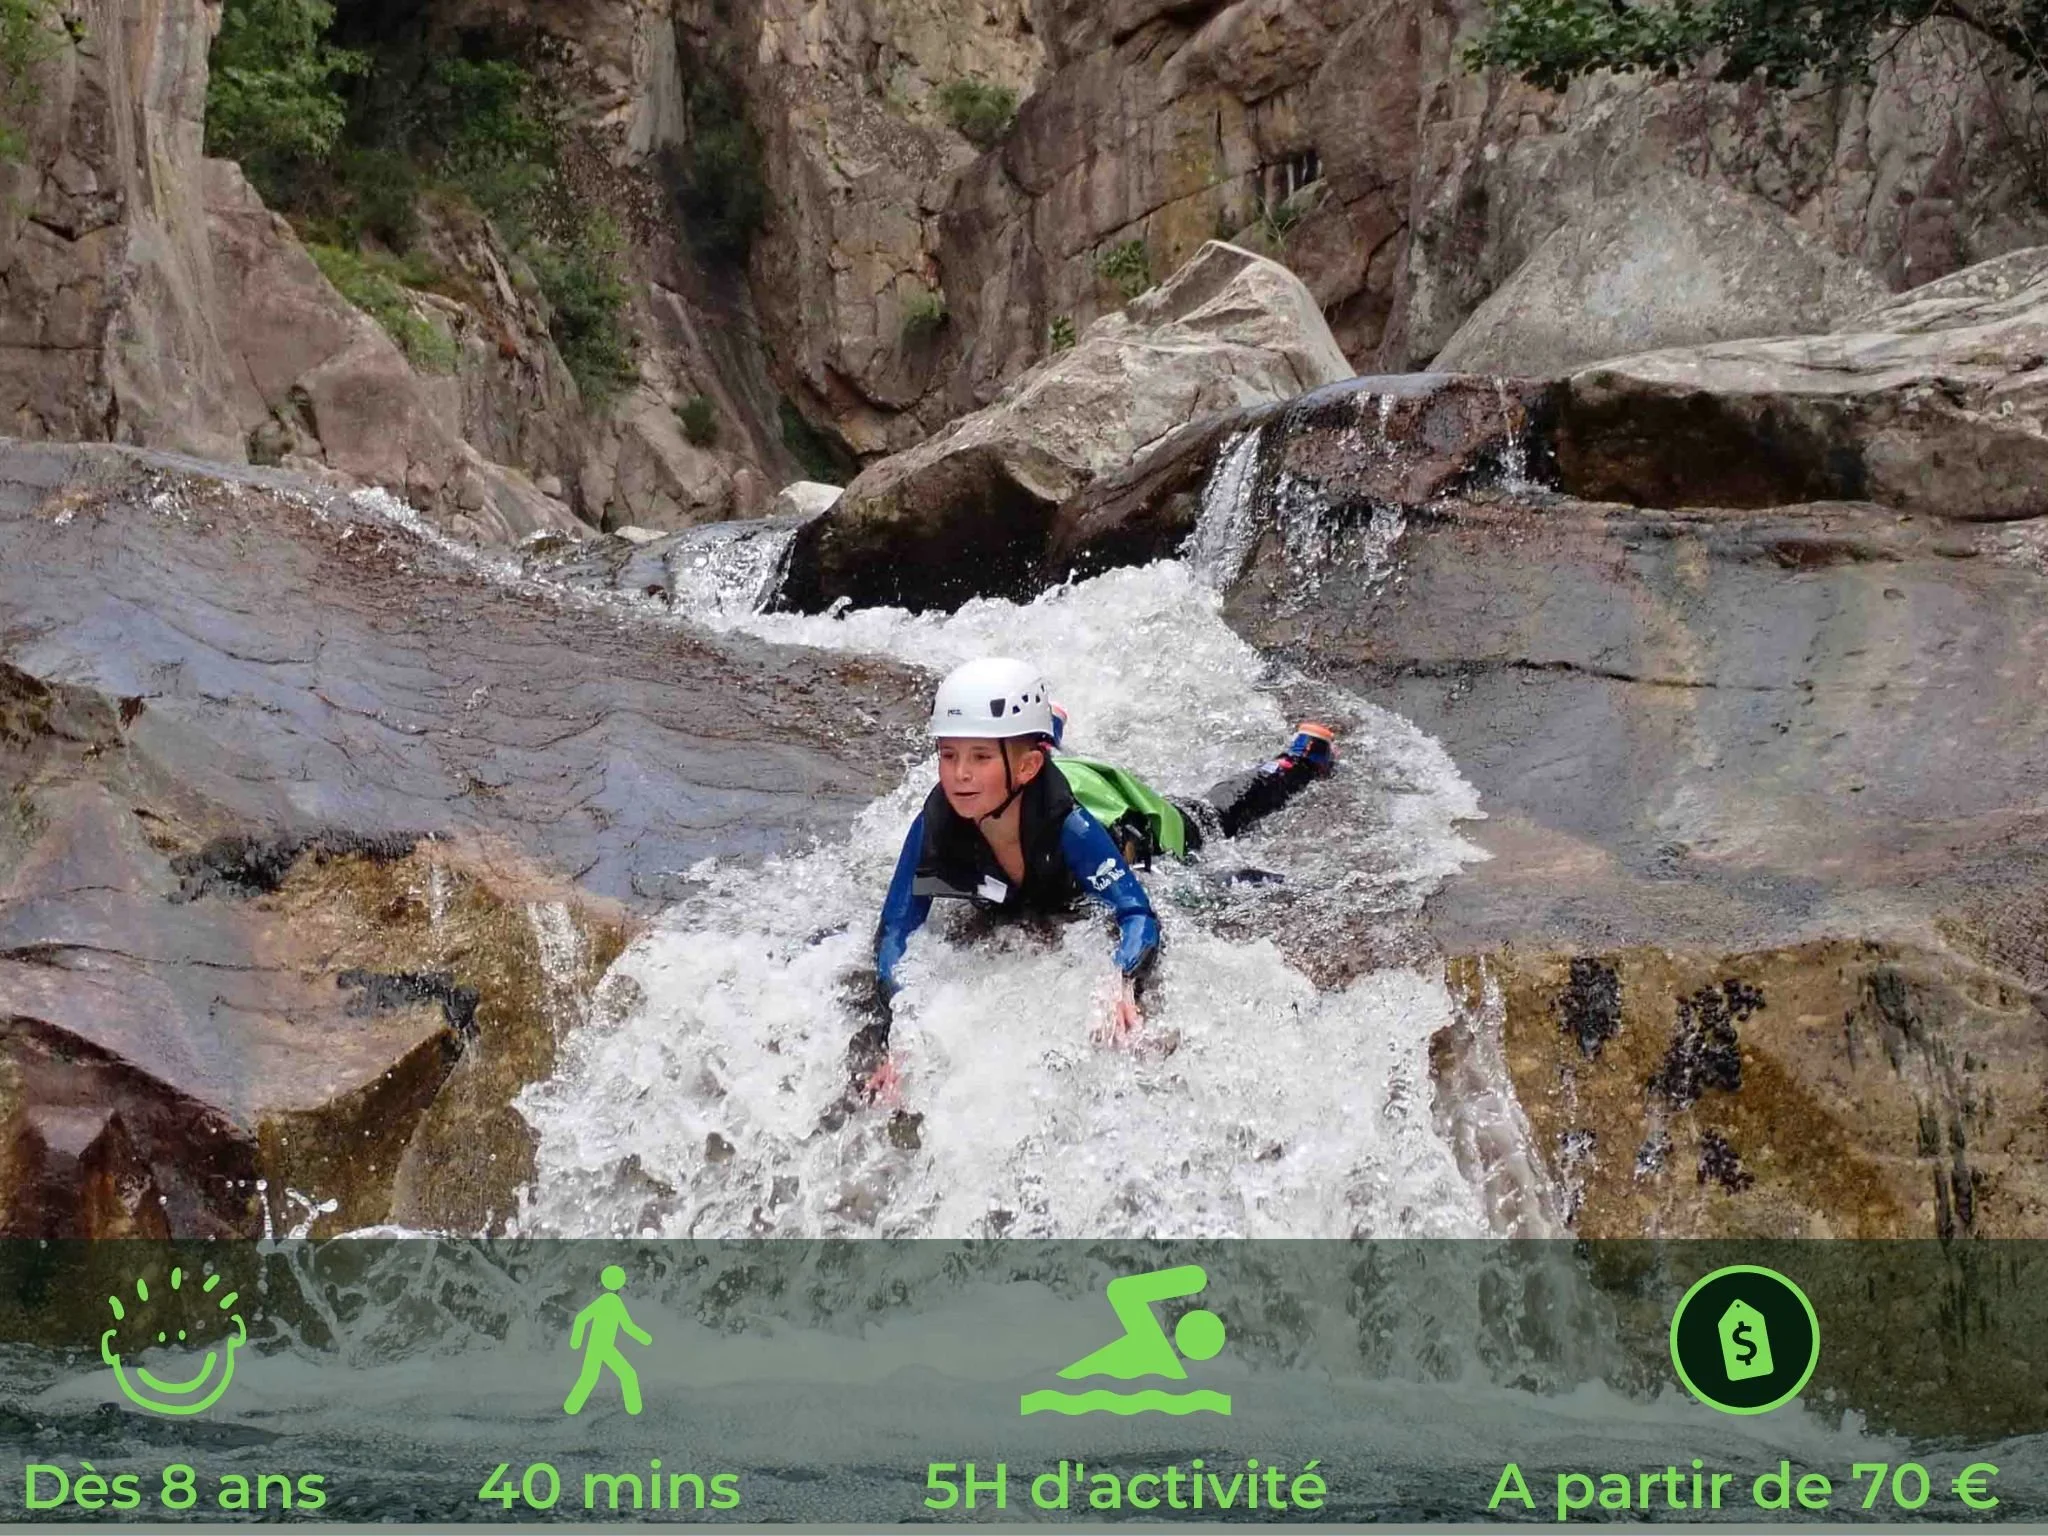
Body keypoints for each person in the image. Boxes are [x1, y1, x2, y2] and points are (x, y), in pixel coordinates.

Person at [841, 658, 1337, 1101]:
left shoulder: (1072, 827)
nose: (959, 776)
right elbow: (894, 933)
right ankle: (1047, 730)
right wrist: (899, 1028)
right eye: (948, 756)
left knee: (1210, 818)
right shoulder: (935, 824)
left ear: (1028, 765)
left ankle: (1297, 760)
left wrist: (1122, 977)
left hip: (1124, 821)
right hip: (1035, 776)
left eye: (979, 757)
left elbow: (1137, 913)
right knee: (1010, 781)